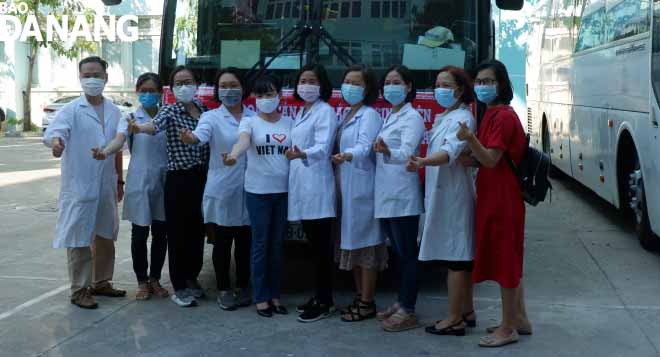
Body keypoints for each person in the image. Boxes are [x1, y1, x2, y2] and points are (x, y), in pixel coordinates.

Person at [456, 60, 532, 347]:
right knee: (508, 260)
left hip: (504, 199)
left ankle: (508, 328)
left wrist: (470, 139)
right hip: (492, 195)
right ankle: (519, 319)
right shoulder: (491, 114)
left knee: (505, 263)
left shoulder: (503, 117)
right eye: (479, 81)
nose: (482, 86)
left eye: (488, 81)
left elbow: (491, 159)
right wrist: (468, 158)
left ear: (501, 84)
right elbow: (487, 158)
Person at [43, 56, 126, 309]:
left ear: (106, 78)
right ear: (80, 78)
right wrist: (56, 144)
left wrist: (120, 180)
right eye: (87, 75)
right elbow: (54, 133)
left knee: (105, 233)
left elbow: (119, 145)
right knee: (79, 236)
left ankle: (101, 282)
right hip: (79, 183)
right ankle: (79, 289)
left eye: (97, 74)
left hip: (106, 183)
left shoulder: (114, 110)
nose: (92, 79)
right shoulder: (71, 110)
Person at [128, 66, 209, 307]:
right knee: (176, 234)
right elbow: (153, 126)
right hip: (177, 178)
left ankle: (191, 277)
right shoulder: (170, 112)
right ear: (172, 89)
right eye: (179, 83)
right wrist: (139, 128)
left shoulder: (204, 110)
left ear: (196, 84)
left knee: (197, 232)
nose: (184, 87)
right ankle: (178, 285)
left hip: (201, 177)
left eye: (188, 81)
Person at [406, 66, 477, 336]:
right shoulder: (445, 116)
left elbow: (449, 152)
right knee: (457, 255)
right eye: (437, 85)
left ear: (459, 90)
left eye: (446, 85)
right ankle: (467, 311)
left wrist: (423, 161)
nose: (439, 90)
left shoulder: (463, 119)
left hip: (455, 195)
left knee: (456, 258)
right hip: (443, 193)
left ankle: (454, 319)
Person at [180, 67, 254, 311]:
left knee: (245, 244)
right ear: (217, 90)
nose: (229, 90)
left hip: (251, 188)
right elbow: (200, 136)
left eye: (234, 85)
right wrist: (191, 138)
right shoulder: (210, 117)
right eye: (224, 85)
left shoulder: (253, 116)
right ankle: (224, 289)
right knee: (222, 243)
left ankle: (243, 287)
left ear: (243, 88)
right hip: (222, 189)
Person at [92, 72, 170, 301]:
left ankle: (155, 279)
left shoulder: (168, 115)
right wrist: (105, 151)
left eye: (152, 90)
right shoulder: (129, 117)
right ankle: (142, 282)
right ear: (137, 92)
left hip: (164, 181)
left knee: (161, 234)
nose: (147, 94)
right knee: (139, 234)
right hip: (140, 180)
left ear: (160, 93)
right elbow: (118, 139)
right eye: (143, 90)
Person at [223, 74, 292, 318]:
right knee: (260, 245)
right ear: (254, 98)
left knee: (276, 246)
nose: (265, 99)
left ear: (280, 95)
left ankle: (275, 295)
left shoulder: (289, 123)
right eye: (260, 95)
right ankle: (261, 297)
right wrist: (233, 155)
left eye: (270, 94)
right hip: (257, 192)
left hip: (282, 192)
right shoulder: (250, 122)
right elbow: (242, 143)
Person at [331, 64, 386, 322]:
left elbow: (365, 146)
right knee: (352, 245)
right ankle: (359, 296)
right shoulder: (347, 113)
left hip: (361, 189)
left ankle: (367, 302)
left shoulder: (370, 115)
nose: (350, 87)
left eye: (357, 83)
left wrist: (348, 154)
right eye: (347, 81)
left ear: (368, 89)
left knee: (366, 247)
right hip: (346, 187)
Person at [373, 65, 425, 332]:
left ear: (408, 87)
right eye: (388, 82)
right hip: (388, 193)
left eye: (397, 82)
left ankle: (409, 309)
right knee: (398, 253)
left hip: (403, 196)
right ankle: (401, 301)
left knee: (407, 255)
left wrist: (387, 150)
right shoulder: (390, 115)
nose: (391, 86)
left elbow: (408, 152)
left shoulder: (412, 117)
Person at [287, 64, 338, 323]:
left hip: (317, 185)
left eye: (312, 80)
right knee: (312, 247)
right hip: (302, 184)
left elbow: (323, 146)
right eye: (302, 80)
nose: (306, 84)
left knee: (321, 248)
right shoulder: (303, 111)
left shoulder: (325, 111)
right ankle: (318, 295)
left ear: (322, 85)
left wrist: (301, 153)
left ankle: (325, 300)